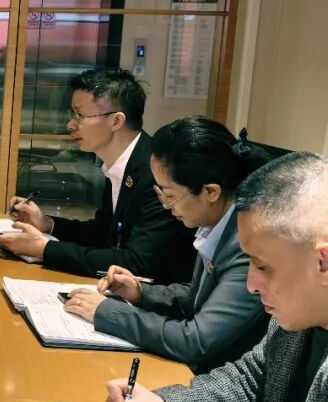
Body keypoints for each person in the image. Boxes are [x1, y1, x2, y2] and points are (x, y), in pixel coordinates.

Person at [104, 152, 328, 402]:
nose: (251, 285)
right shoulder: (302, 314)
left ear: (323, 262)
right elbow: (250, 377)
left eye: (263, 266)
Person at [63, 118, 271, 371]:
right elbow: (197, 297)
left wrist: (107, 312)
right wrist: (140, 293)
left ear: (211, 192)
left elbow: (195, 340)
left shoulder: (248, 247)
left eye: (169, 195)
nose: (165, 205)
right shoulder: (218, 223)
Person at [0, 66, 195, 283]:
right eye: (72, 115)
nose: (70, 124)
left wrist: (44, 249)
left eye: (80, 115)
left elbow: (138, 263)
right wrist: (47, 224)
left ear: (116, 121)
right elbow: (103, 233)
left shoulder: (156, 172)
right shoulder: (121, 163)